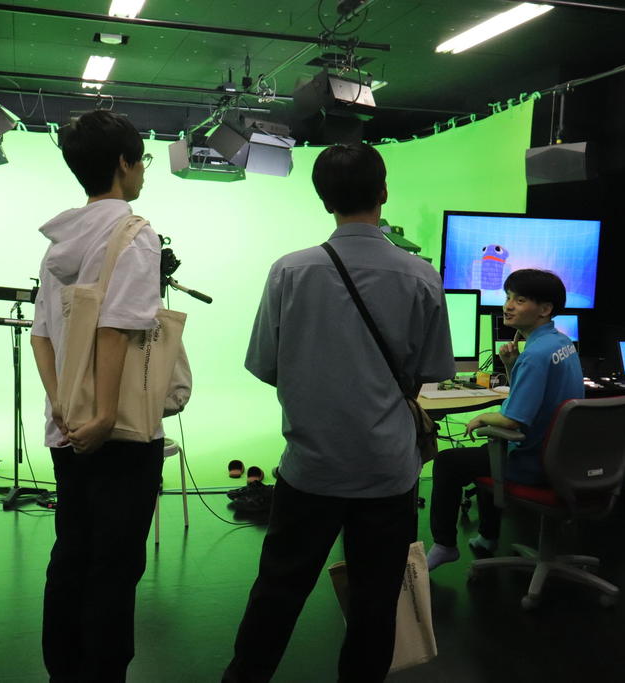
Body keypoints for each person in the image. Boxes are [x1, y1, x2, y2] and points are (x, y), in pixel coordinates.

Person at [223, 143, 455, 683]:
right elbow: (431, 369)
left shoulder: (289, 271)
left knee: (278, 592)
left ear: (324, 199)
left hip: (310, 467)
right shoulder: (421, 275)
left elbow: (265, 365)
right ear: (384, 192)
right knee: (375, 603)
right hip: (387, 471)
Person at [30, 110, 162, 682]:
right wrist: (105, 414)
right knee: (115, 567)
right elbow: (116, 328)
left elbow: (40, 336)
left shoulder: (59, 242)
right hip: (121, 431)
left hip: (66, 428)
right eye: (142, 160)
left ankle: (63, 670)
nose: (143, 171)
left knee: (72, 555)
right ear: (123, 164)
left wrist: (64, 406)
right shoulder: (134, 234)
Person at [426, 269, 584, 571]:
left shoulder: (535, 355)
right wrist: (512, 366)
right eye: (508, 297)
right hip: (561, 458)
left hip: (533, 462)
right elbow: (532, 398)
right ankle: (487, 537)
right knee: (490, 450)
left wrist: (482, 417)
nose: (508, 306)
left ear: (545, 309)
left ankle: (445, 545)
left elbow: (512, 421)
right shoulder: (561, 343)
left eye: (520, 300)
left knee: (449, 461)